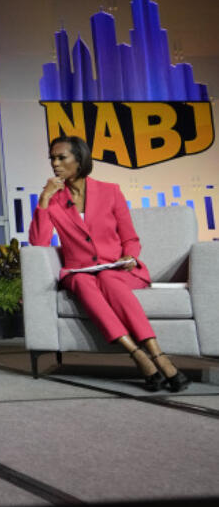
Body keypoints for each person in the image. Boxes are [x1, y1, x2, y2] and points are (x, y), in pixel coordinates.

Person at [29, 135, 189, 392]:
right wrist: (45, 199)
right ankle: (136, 354)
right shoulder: (55, 200)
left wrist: (130, 256)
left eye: (61, 158)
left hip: (118, 268)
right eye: (52, 159)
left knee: (108, 278)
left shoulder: (110, 191)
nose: (55, 164)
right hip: (80, 270)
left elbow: (130, 236)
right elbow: (39, 242)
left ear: (79, 159)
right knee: (81, 280)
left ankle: (157, 355)